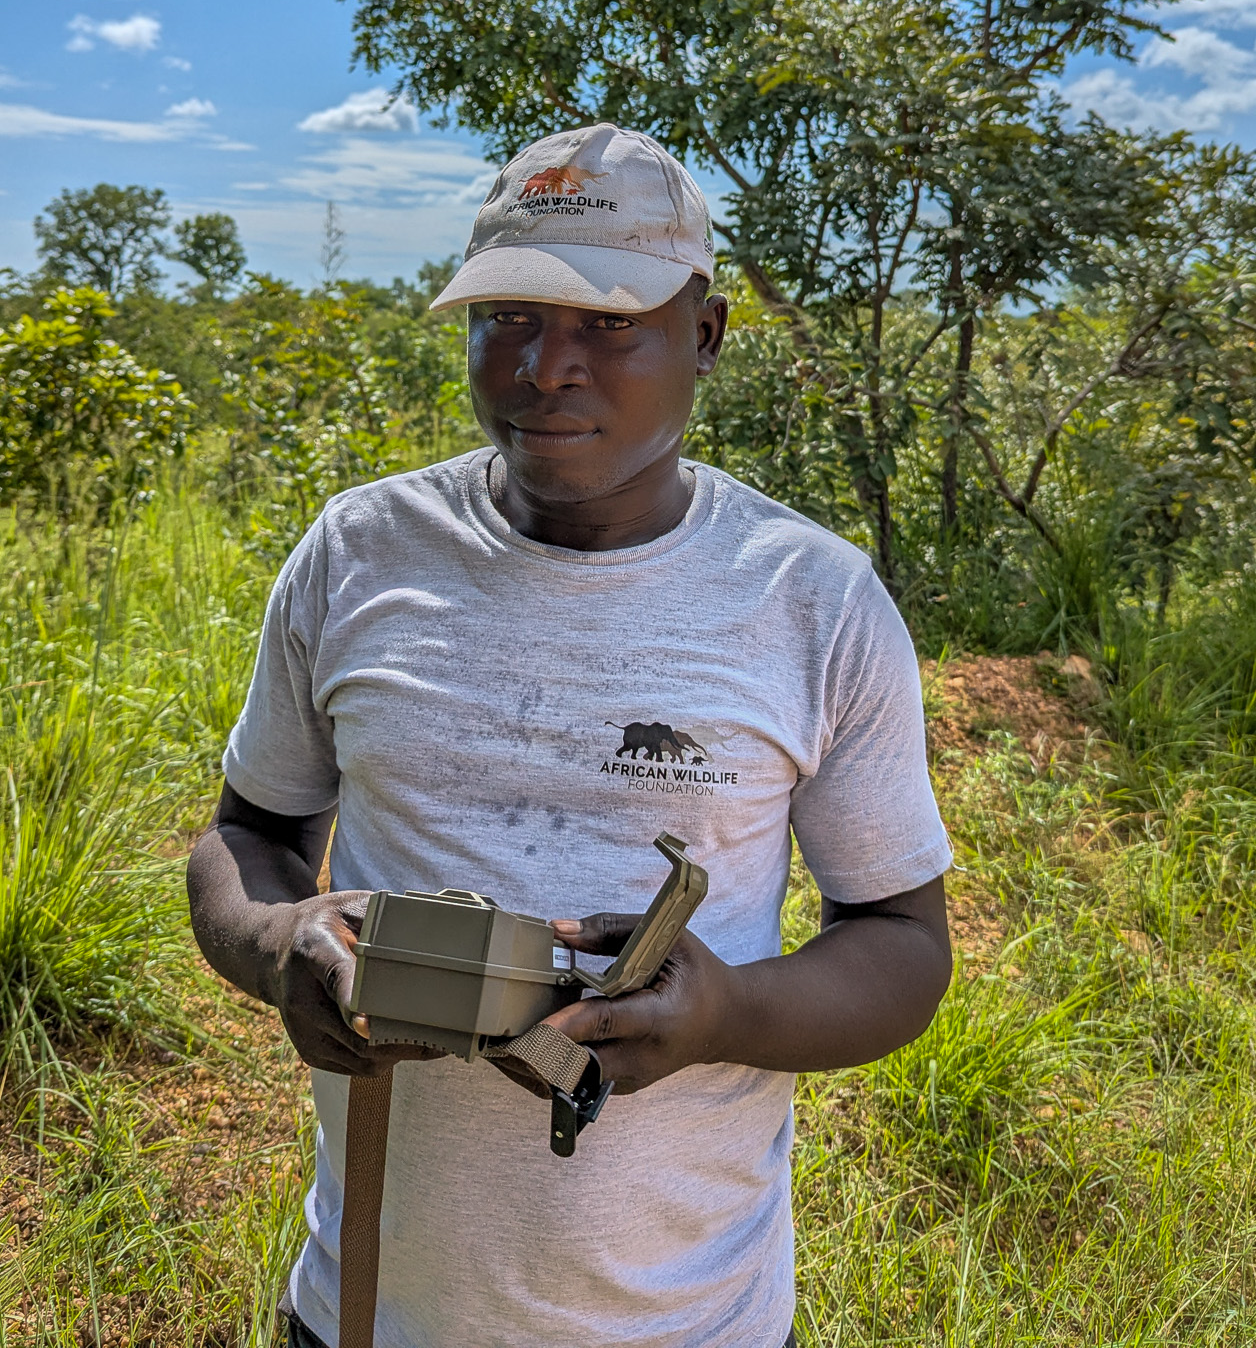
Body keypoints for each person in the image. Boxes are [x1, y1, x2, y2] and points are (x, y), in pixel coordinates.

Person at [187, 123, 953, 1348]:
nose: (545, 366)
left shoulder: (811, 599)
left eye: (607, 321)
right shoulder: (360, 551)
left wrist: (727, 1015)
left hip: (691, 1320)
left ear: (703, 333)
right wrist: (278, 938)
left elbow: (904, 943)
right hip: (369, 1310)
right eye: (509, 314)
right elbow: (251, 830)